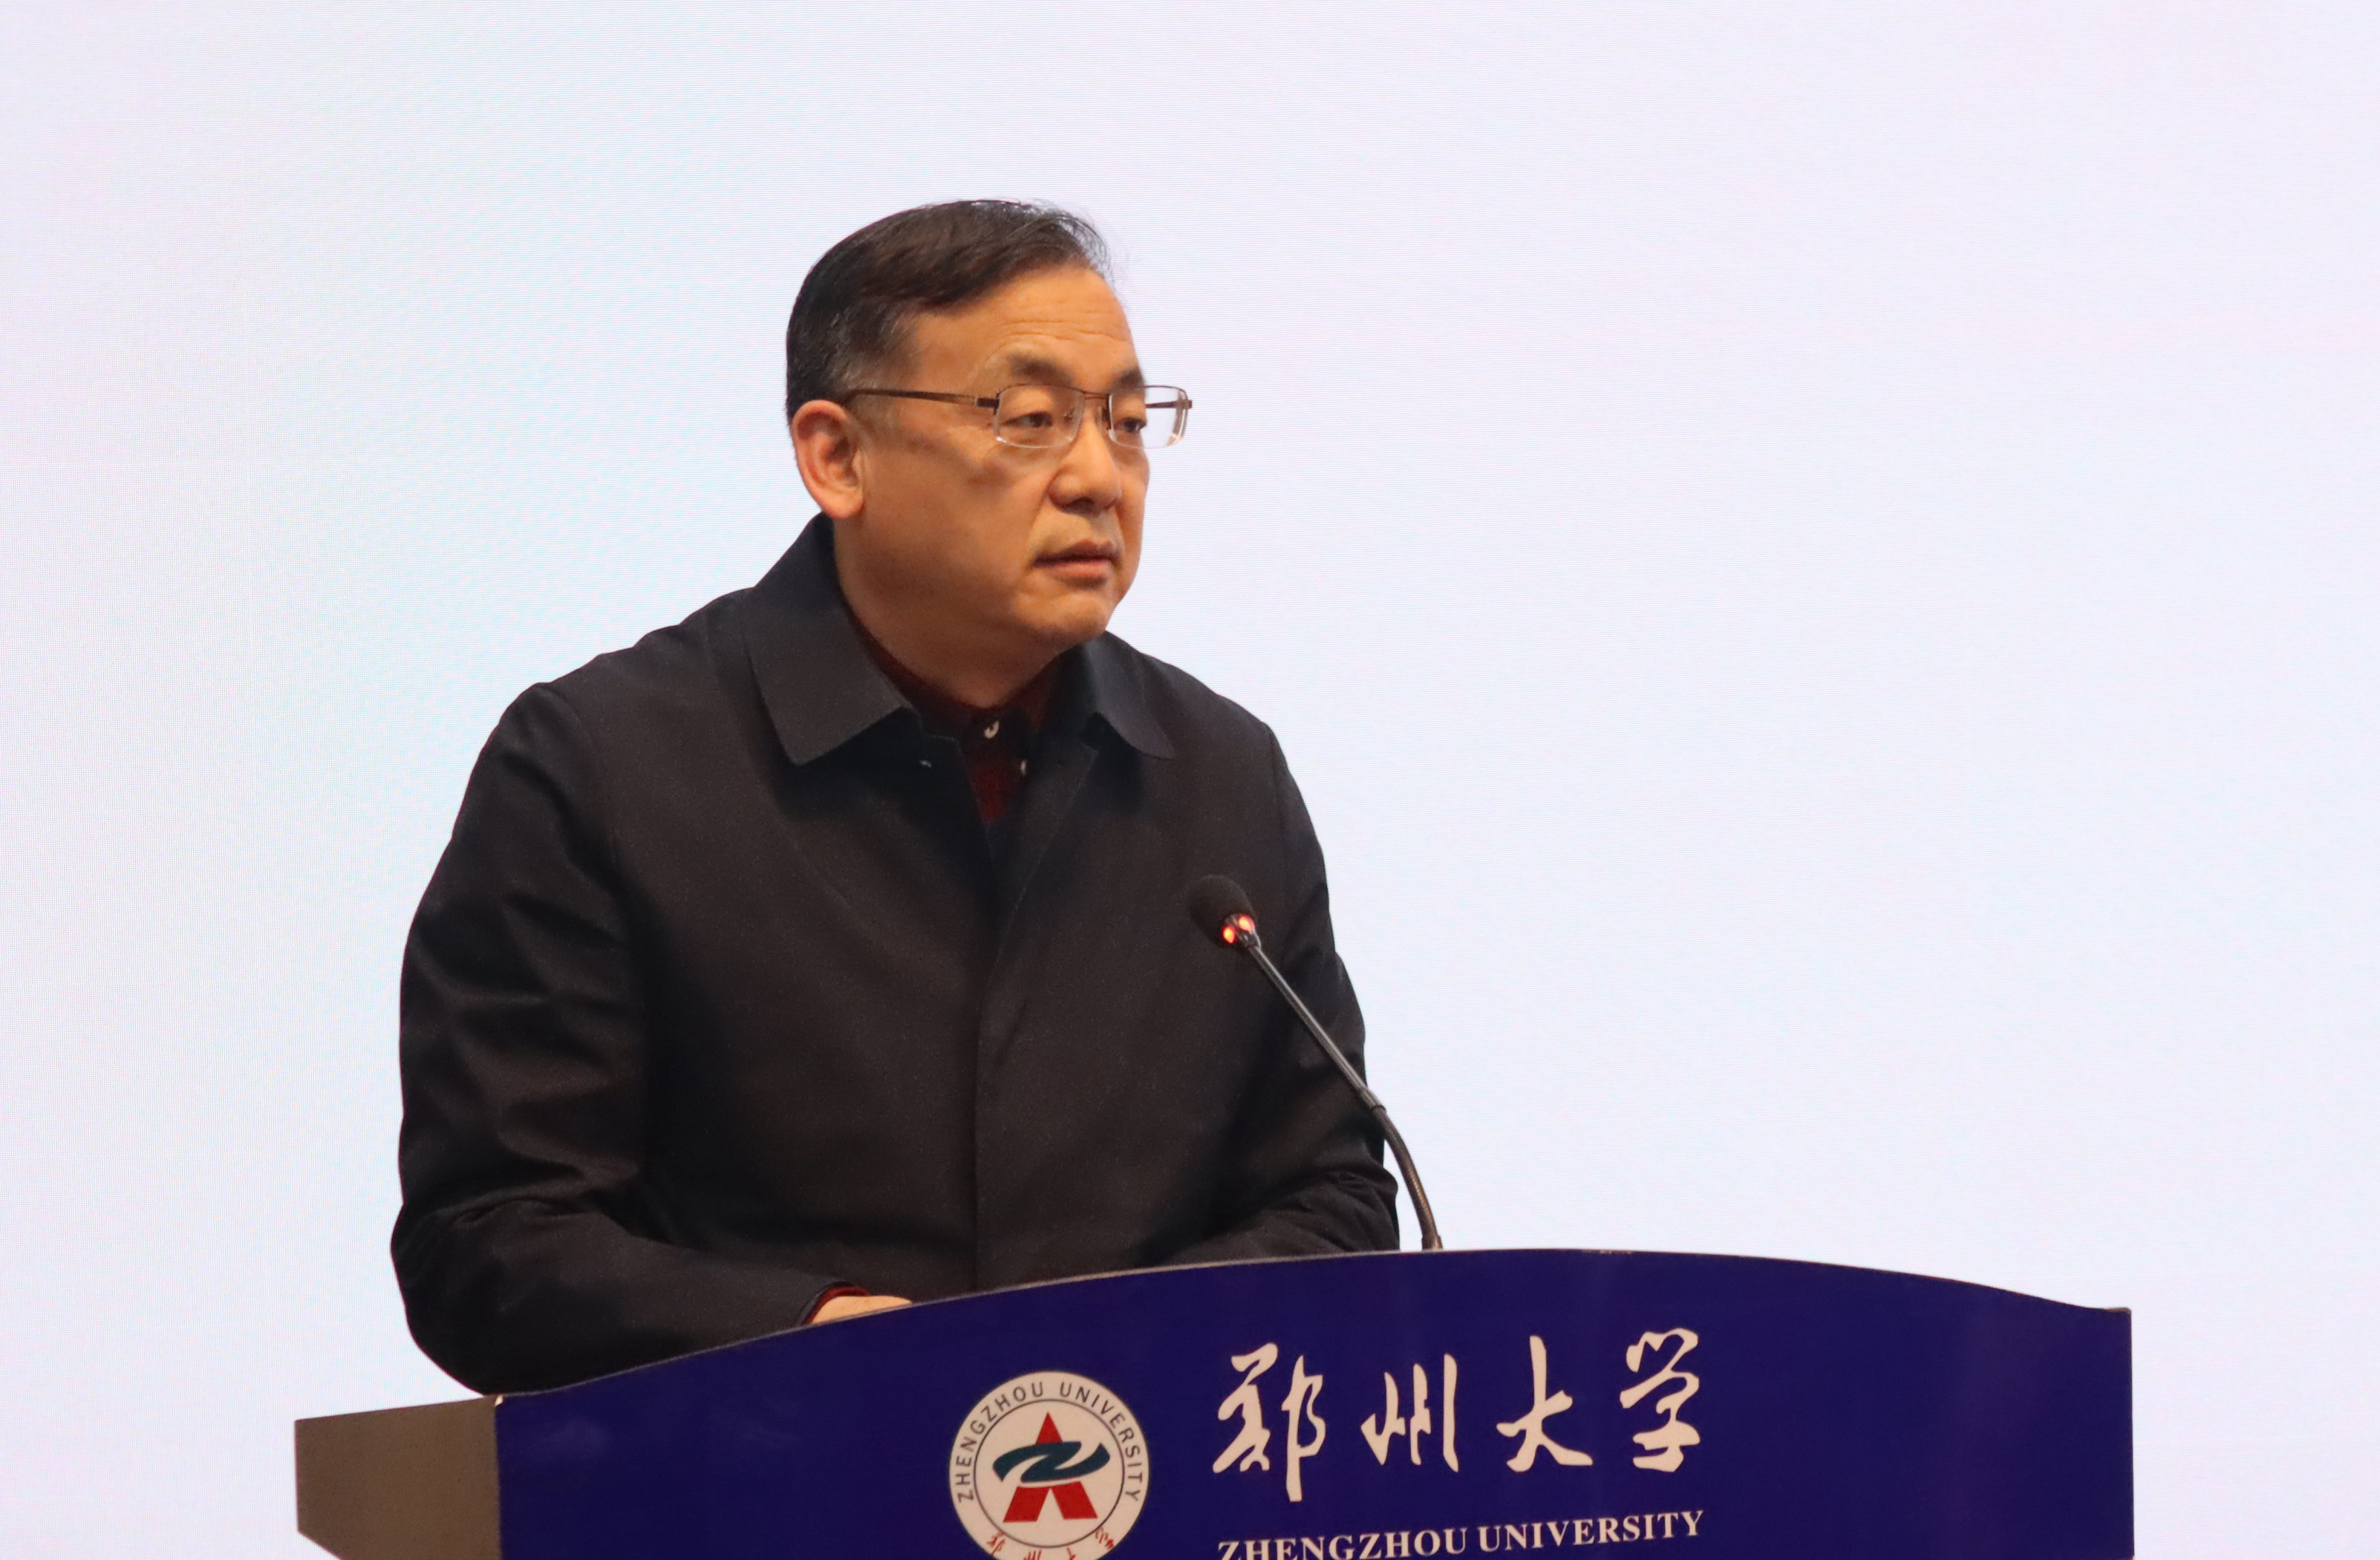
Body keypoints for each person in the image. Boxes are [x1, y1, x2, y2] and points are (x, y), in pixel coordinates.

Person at [393, 200, 1397, 1394]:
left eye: (1127, 424)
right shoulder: (600, 768)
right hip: (764, 1469)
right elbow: (490, 1240)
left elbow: (1331, 1194)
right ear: (837, 457)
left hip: (1139, 1467)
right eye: (1029, 419)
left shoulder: (1220, 775)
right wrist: (815, 1337)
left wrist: (1126, 1347)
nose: (1097, 477)